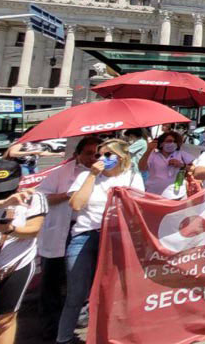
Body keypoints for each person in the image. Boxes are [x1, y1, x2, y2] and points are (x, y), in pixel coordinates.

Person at [58, 138, 144, 344]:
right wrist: (92, 176)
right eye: (99, 154)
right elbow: (76, 205)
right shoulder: (86, 176)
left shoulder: (131, 177)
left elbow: (138, 208)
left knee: (114, 292)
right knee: (77, 292)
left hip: (116, 237)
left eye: (107, 154)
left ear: (121, 157)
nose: (101, 158)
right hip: (86, 236)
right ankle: (64, 338)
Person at [34, 136, 99, 341]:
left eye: (96, 154)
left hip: (86, 232)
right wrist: (66, 195)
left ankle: (77, 319)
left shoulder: (105, 174)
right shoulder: (61, 173)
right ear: (76, 155)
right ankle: (51, 327)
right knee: (52, 280)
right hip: (61, 230)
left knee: (81, 281)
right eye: (88, 153)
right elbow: (39, 197)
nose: (92, 158)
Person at [0, 160, 46, 344]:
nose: (1, 194)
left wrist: (8, 230)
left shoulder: (34, 198)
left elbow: (34, 229)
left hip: (13, 265)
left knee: (2, 321)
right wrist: (0, 203)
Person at [138, 131, 195, 195]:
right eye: (169, 141)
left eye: (175, 141)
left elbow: (194, 169)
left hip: (176, 194)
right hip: (154, 194)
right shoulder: (153, 155)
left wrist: (181, 165)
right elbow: (141, 168)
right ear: (161, 143)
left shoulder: (181, 154)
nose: (172, 143)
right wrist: (149, 149)